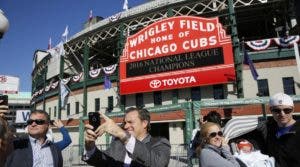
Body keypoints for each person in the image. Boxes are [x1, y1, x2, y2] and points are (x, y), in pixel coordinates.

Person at [83, 107, 171, 167]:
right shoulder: (118, 143)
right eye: (125, 122)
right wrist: (89, 145)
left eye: (130, 122)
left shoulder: (160, 142)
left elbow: (159, 163)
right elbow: (101, 160)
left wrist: (121, 133)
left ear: (144, 123)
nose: (125, 126)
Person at [255, 92, 300, 167]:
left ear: (293, 110)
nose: (282, 114)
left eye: (287, 110)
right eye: (277, 110)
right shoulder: (268, 129)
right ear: (271, 110)